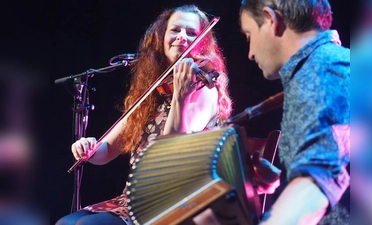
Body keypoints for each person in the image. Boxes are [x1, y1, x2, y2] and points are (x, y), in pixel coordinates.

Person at [56, 4, 232, 225]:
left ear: (202, 42)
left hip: (173, 201)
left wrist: (181, 95)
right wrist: (89, 147)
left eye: (191, 33)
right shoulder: (153, 90)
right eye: (175, 30)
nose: (182, 37)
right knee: (65, 222)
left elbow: (168, 154)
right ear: (162, 36)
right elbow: (107, 151)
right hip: (135, 200)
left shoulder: (203, 91)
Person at [239, 0, 350, 224]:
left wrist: (304, 185)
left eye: (249, 35)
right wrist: (283, 181)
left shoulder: (319, 72)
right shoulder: (329, 65)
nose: (250, 53)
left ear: (271, 19)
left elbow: (315, 189)